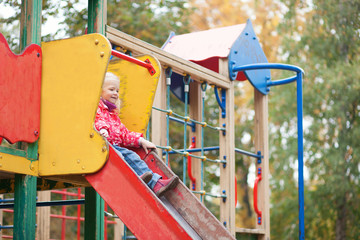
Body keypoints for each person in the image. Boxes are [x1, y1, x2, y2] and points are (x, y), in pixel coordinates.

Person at [95, 72, 179, 197]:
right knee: (119, 157)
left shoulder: (113, 115)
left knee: (132, 155)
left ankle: (155, 183)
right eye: (111, 89)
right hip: (100, 148)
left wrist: (140, 141)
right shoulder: (95, 107)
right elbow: (96, 120)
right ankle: (135, 178)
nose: (115, 93)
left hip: (114, 148)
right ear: (99, 90)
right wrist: (102, 130)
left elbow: (123, 134)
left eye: (117, 90)